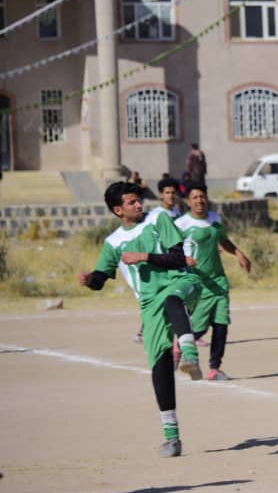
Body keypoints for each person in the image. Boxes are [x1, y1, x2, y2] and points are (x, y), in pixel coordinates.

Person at [79, 181, 203, 457]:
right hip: (148, 303)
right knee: (159, 366)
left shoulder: (159, 218)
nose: (139, 205)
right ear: (118, 210)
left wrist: (144, 256)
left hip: (181, 281)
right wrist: (90, 280)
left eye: (139, 200)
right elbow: (102, 277)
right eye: (132, 202)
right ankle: (172, 437)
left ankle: (190, 353)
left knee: (173, 301)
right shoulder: (113, 243)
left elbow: (178, 258)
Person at [175, 184, 252, 381]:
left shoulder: (215, 219)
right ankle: (179, 346)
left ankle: (214, 369)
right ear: (188, 201)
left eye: (202, 196)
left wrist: (239, 254)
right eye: (195, 197)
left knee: (221, 325)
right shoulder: (181, 224)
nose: (199, 200)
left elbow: (224, 241)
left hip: (219, 281)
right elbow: (171, 249)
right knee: (199, 327)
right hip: (197, 283)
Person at [132, 176, 185, 345]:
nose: (170, 196)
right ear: (161, 195)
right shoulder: (156, 215)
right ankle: (145, 330)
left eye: (173, 193)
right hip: (162, 263)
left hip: (178, 261)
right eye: (167, 192)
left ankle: (182, 334)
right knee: (162, 299)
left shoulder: (178, 214)